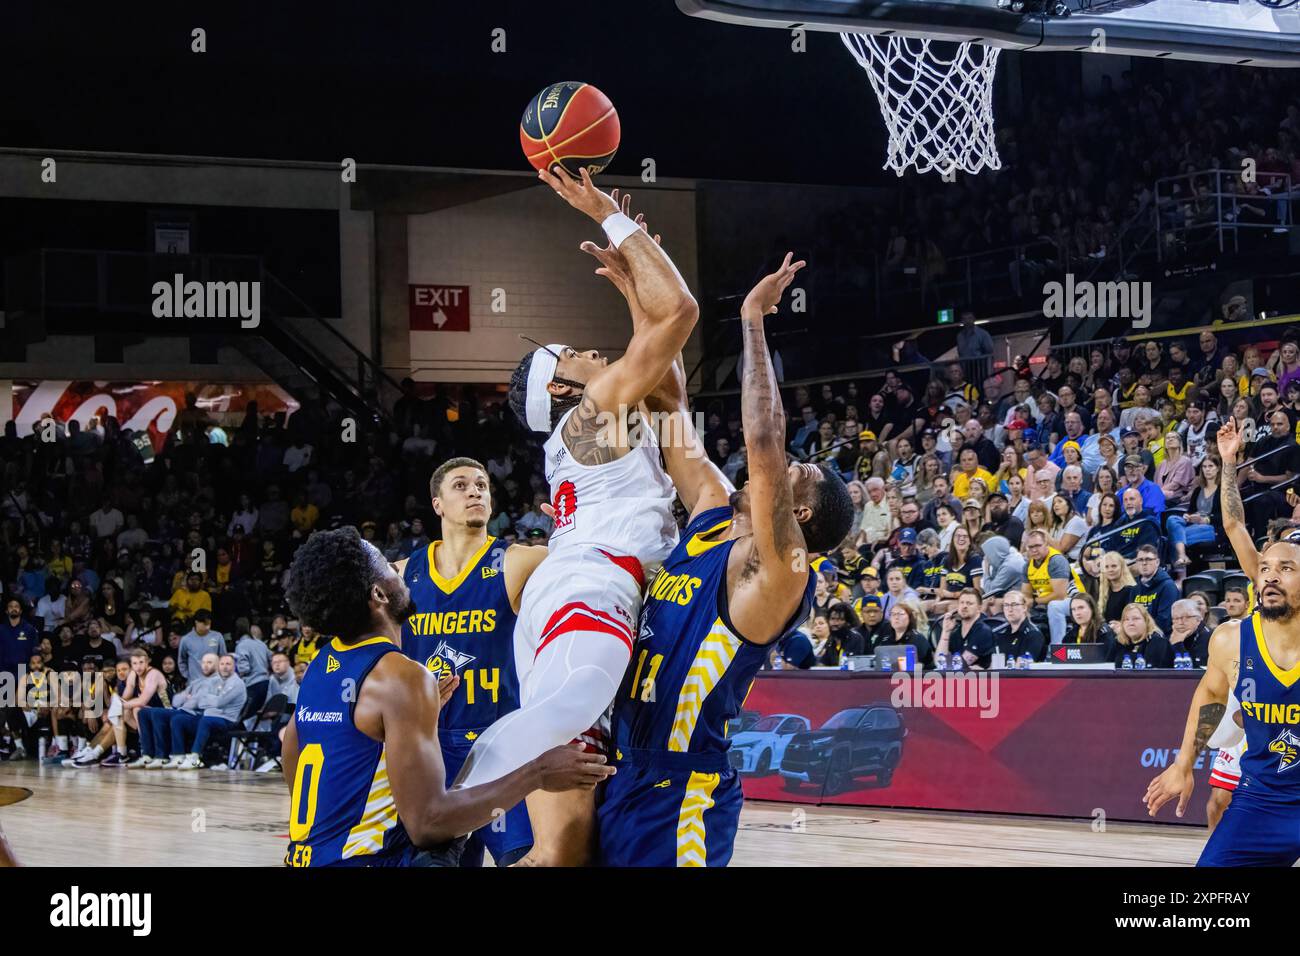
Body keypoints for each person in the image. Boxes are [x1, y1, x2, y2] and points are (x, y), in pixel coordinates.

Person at [455, 173, 698, 865]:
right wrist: (609, 217)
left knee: (568, 852)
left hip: (580, 592)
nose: (592, 353)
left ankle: (450, 828)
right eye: (575, 356)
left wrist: (630, 282)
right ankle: (439, 827)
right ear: (563, 388)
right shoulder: (592, 417)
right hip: (589, 590)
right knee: (552, 749)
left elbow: (672, 385)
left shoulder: (608, 417)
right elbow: (680, 312)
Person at [597, 254, 852, 867]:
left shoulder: (784, 574)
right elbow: (668, 408)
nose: (783, 467)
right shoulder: (712, 514)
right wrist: (645, 302)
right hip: (618, 764)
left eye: (800, 475)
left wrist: (753, 321)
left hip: (682, 789)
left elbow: (764, 439)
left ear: (801, 517)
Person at [277, 526, 612, 867]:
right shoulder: (399, 676)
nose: (396, 569)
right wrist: (537, 773)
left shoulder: (320, 667)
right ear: (378, 594)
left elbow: (291, 747)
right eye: (386, 566)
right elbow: (428, 826)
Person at [394, 456, 549, 868]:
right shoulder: (403, 576)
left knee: (526, 859)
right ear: (437, 504)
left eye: (482, 485)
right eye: (461, 486)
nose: (475, 491)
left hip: (498, 744)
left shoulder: (518, 561)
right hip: (429, 748)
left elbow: (589, 566)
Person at [1144, 538, 1300, 864]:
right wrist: (1184, 762)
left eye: (1286, 568)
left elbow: (1234, 525)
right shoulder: (1232, 639)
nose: (1271, 576)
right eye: (1265, 568)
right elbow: (1211, 693)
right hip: (1263, 799)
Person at [936, 589, 995, 669]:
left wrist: (947, 663)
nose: (964, 606)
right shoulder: (956, 632)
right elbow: (939, 662)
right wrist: (945, 632)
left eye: (969, 603)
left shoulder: (983, 631)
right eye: (962, 603)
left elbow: (961, 665)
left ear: (979, 608)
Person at [1132, 544, 1179, 639]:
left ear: (1157, 562)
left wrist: (1139, 630)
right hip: (1138, 636)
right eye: (1140, 560)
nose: (1144, 563)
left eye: (1148, 559)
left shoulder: (1168, 586)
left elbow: (1164, 621)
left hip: (1160, 638)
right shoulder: (1134, 586)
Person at [1108, 603, 1171, 668]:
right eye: (1126, 619)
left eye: (1136, 618)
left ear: (1146, 621)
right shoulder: (1119, 642)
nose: (1131, 623)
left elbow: (1155, 673)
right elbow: (1106, 669)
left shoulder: (1157, 641)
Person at [991, 590, 1046, 662]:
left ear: (1024, 607)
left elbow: (1023, 665)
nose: (1010, 609)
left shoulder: (1034, 634)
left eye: (1014, 604)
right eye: (1006, 605)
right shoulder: (1000, 633)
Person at [178, 610, 225, 685]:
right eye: (205, 624)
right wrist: (188, 675)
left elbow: (223, 657)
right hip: (194, 682)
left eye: (209, 624)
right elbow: (182, 660)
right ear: (196, 622)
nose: (208, 626)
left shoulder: (217, 636)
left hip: (214, 682)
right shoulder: (186, 639)